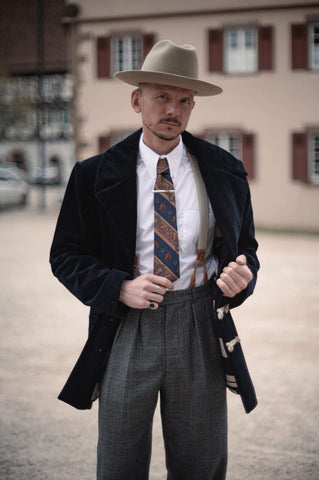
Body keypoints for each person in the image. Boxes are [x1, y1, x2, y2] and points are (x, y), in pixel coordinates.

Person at [50, 39, 259, 480]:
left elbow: (246, 252)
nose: (173, 110)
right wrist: (117, 287)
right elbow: (65, 254)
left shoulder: (225, 171)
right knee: (119, 463)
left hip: (199, 321)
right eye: (162, 97)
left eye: (184, 100)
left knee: (200, 463)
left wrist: (242, 277)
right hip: (127, 326)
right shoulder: (93, 175)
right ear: (136, 100)